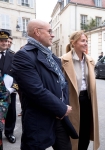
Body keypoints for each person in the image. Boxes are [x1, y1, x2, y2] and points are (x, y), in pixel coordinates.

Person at [12, 19, 75, 150]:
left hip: (59, 118)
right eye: (50, 31)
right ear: (37, 32)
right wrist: (61, 108)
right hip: (39, 120)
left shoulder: (51, 56)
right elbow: (36, 90)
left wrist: (62, 108)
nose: (53, 35)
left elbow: (62, 85)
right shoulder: (23, 56)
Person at [60, 30, 100, 150]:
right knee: (73, 132)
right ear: (73, 43)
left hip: (87, 100)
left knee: (86, 132)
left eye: (86, 41)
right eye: (83, 41)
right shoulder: (63, 60)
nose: (86, 43)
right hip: (72, 101)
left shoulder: (90, 60)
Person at [0, 30, 18, 144]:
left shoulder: (13, 55)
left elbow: (18, 73)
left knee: (11, 112)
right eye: (1, 41)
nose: (4, 43)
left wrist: (13, 88)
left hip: (9, 91)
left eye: (6, 41)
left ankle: (9, 132)